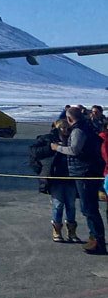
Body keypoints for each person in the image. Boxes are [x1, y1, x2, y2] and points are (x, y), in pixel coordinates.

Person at [51, 106, 107, 255]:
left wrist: (57, 148)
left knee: (89, 208)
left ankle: (97, 241)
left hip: (84, 173)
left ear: (69, 119)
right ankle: (95, 238)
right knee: (89, 208)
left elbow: (74, 150)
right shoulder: (86, 127)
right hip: (88, 172)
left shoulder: (78, 130)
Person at [29, 119, 79, 242]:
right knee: (58, 205)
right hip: (55, 177)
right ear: (57, 128)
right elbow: (33, 152)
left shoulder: (73, 138)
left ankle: (72, 232)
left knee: (71, 205)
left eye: (67, 128)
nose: (65, 130)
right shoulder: (47, 138)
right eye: (63, 128)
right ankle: (57, 230)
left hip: (71, 177)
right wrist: (51, 148)